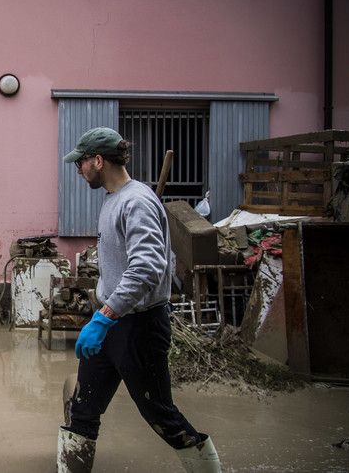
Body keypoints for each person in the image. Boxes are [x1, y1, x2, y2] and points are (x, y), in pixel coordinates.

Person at [58, 127, 222, 473]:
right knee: (83, 408)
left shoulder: (138, 201)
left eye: (81, 162)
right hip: (111, 323)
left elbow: (147, 268)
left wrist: (104, 316)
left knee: (160, 414)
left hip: (139, 326)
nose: (78, 169)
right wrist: (102, 316)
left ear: (98, 161)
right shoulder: (113, 199)